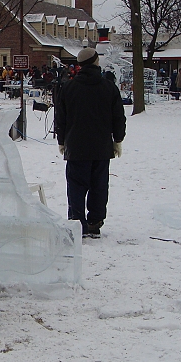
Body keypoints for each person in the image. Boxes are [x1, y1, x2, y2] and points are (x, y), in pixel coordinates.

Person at [55, 48, 126, 238]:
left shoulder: (68, 88)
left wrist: (61, 140)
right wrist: (118, 139)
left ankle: (77, 223)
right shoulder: (109, 87)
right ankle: (95, 221)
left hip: (76, 146)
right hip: (102, 147)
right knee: (99, 185)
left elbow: (60, 117)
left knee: (76, 186)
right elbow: (118, 116)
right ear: (96, 62)